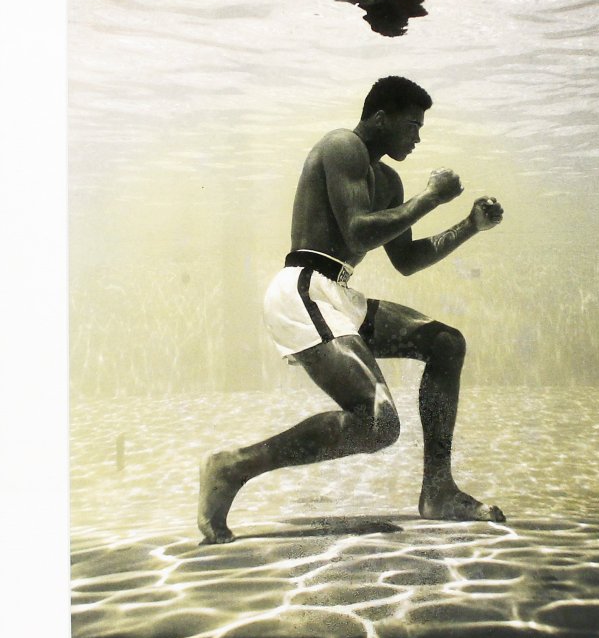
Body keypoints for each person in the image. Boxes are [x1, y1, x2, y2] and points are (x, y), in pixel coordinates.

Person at [198, 75, 505, 544]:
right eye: (411, 126)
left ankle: (439, 491)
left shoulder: (387, 179)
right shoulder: (342, 146)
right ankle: (233, 467)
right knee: (378, 424)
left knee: (445, 343)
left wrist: (468, 226)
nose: (417, 138)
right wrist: (430, 198)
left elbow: (406, 260)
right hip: (303, 288)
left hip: (339, 293)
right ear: (381, 118)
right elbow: (359, 232)